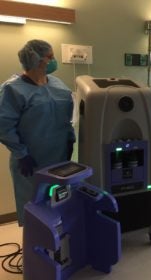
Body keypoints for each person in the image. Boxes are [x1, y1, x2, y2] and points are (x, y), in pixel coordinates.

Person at [0, 39, 75, 226]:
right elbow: (3, 125)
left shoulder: (57, 83)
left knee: (59, 203)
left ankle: (59, 245)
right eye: (50, 57)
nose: (53, 60)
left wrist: (70, 138)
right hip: (31, 161)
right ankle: (36, 248)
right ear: (36, 59)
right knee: (34, 207)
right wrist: (21, 154)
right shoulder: (13, 89)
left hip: (59, 157)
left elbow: (65, 116)